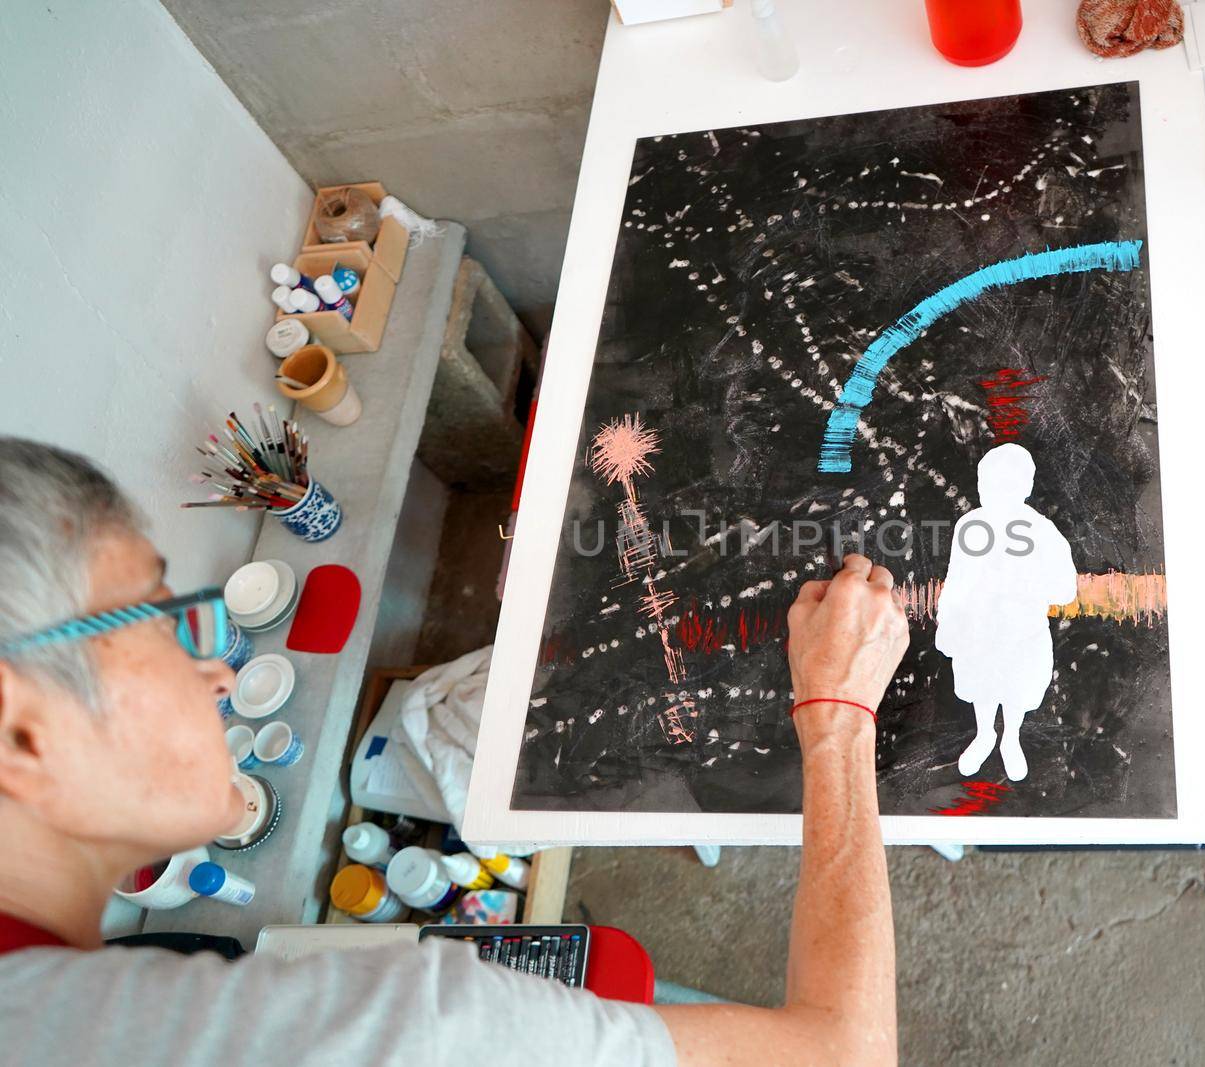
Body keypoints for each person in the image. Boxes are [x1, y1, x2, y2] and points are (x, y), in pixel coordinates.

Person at [0, 437, 907, 1067]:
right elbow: (841, 1050)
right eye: (168, 620)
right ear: (19, 725)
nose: (220, 674)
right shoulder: (389, 1032)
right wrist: (837, 717)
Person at [934, 444, 1077, 782]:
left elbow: (1064, 587)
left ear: (1025, 488)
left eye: (1006, 487)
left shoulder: (1042, 531)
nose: (995, 495)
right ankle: (985, 734)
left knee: (1017, 687)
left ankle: (1011, 737)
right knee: (981, 684)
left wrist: (1029, 585)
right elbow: (957, 579)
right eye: (989, 486)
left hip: (1022, 631)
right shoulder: (971, 527)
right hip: (978, 630)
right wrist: (949, 618)